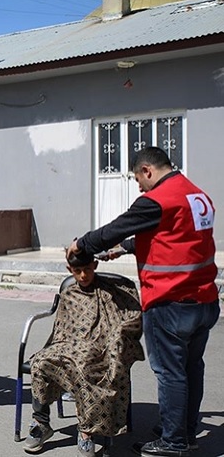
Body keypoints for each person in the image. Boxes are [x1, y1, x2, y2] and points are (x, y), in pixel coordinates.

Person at [67, 146, 219, 457]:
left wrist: (81, 244)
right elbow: (173, 237)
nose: (138, 186)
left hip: (170, 301)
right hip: (203, 299)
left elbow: (111, 230)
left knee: (170, 372)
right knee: (192, 369)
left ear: (148, 170)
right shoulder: (196, 196)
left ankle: (174, 442)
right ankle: (184, 432)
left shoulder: (156, 200)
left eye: (138, 179)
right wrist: (125, 248)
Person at [23, 252, 144, 457]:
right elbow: (61, 329)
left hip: (100, 346)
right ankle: (41, 422)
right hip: (68, 344)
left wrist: (114, 339)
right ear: (69, 270)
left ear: (95, 265)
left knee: (86, 367)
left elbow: (130, 317)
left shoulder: (110, 292)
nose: (83, 275)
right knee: (41, 362)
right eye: (77, 271)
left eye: (87, 269)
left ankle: (86, 431)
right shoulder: (69, 294)